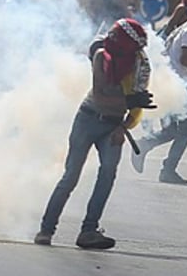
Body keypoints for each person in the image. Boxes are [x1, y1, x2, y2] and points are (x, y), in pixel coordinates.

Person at [35, 18, 155, 251]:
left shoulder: (140, 64)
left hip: (113, 126)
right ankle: (46, 230)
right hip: (88, 119)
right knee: (70, 177)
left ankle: (89, 231)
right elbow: (100, 95)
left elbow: (139, 105)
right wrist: (128, 100)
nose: (109, 40)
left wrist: (124, 127)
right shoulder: (102, 56)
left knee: (107, 175)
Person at [130, 5, 187, 184]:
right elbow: (185, 59)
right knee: (184, 131)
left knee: (171, 131)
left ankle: (144, 146)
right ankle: (167, 170)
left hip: (168, 84)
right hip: (176, 88)